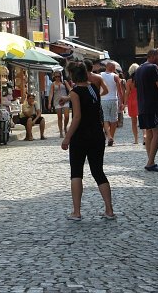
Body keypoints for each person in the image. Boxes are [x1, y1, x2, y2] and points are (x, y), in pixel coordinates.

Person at [61, 61, 114, 221]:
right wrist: (68, 97)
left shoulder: (75, 92)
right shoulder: (93, 88)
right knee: (98, 172)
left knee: (76, 172)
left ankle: (76, 212)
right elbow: (84, 99)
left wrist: (67, 137)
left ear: (72, 75)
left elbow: (77, 117)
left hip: (80, 136)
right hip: (97, 135)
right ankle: (109, 210)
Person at [136, 49, 158, 172]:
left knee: (149, 133)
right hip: (152, 105)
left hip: (142, 105)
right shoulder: (153, 67)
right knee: (157, 132)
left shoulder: (139, 68)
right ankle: (150, 163)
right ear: (152, 56)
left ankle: (151, 160)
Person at [99, 61, 121, 146]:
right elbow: (119, 91)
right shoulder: (115, 76)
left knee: (105, 119)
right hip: (113, 99)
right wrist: (121, 102)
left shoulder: (100, 75)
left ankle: (109, 136)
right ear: (113, 68)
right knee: (114, 120)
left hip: (103, 99)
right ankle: (112, 137)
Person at [48, 70, 71, 137]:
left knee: (67, 116)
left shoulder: (64, 82)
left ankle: (65, 127)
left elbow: (70, 89)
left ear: (61, 76)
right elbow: (51, 93)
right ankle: (61, 131)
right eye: (56, 76)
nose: (57, 78)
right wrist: (49, 103)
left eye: (58, 76)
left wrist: (68, 96)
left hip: (65, 101)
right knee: (59, 117)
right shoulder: (53, 84)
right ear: (54, 77)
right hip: (57, 101)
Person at [123, 63, 140, 144]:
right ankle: (145, 135)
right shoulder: (142, 80)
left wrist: (124, 104)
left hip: (132, 101)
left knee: (134, 122)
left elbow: (127, 93)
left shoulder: (129, 81)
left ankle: (136, 139)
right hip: (141, 100)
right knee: (143, 120)